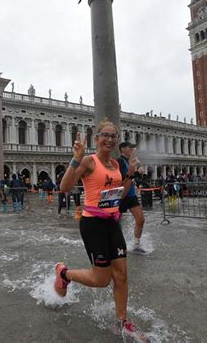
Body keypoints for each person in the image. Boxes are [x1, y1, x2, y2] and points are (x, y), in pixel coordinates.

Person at [53, 119, 146, 341]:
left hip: (112, 223)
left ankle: (122, 322)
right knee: (102, 280)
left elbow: (119, 196)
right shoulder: (88, 161)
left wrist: (130, 176)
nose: (110, 139)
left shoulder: (115, 165)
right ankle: (64, 273)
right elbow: (64, 188)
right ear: (97, 138)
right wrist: (76, 159)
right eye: (105, 135)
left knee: (121, 276)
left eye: (113, 136)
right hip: (93, 224)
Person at [117, 142, 146, 254]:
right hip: (121, 195)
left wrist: (139, 173)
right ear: (123, 149)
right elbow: (120, 178)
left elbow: (133, 177)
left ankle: (136, 244)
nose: (132, 150)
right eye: (130, 148)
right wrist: (135, 172)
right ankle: (116, 243)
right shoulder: (119, 161)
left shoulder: (131, 161)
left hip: (131, 195)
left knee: (141, 219)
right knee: (115, 222)